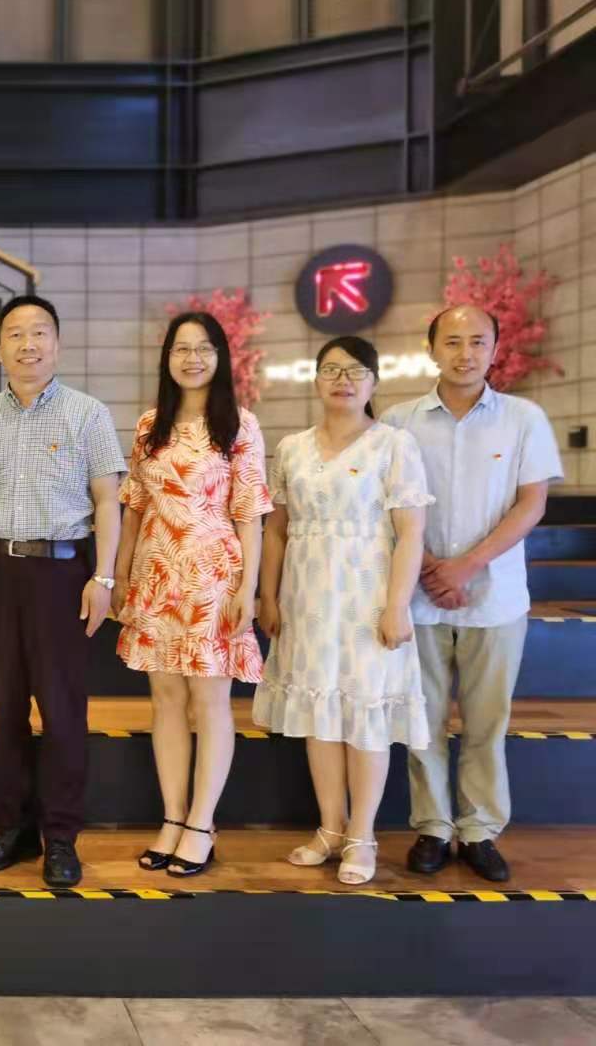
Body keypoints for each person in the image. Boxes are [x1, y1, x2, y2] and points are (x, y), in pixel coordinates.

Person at [381, 305, 563, 883]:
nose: (465, 353)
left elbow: (531, 503)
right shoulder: (398, 421)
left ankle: (480, 830)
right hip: (419, 596)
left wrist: (467, 566)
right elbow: (384, 506)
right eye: (453, 341)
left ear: (495, 349)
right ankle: (433, 827)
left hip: (496, 597)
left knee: (487, 724)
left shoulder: (524, 418)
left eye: (478, 341)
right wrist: (434, 569)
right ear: (431, 349)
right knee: (423, 720)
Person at [254, 336, 432, 886]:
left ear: (374, 382)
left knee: (365, 718)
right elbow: (276, 529)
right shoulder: (291, 448)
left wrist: (397, 605)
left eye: (355, 371)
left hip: (367, 602)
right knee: (320, 717)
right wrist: (268, 595)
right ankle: (330, 828)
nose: (343, 380)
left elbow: (411, 533)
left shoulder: (394, 445)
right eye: (331, 370)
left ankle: (362, 835)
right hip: (306, 601)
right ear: (316, 380)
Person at [0, 294, 126, 888]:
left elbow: (108, 500)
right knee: (3, 708)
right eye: (15, 334)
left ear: (57, 344)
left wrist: (103, 577)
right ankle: (12, 828)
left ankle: (61, 836)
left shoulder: (88, 414)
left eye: (39, 333)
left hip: (63, 573)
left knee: (62, 712)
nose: (27, 344)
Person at [114, 311, 271, 878]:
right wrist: (121, 576)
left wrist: (248, 588)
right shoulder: (149, 425)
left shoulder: (240, 425)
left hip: (214, 581)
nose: (192, 358)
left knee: (209, 703)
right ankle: (172, 818)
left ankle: (202, 823)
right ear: (167, 359)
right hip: (156, 576)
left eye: (203, 348)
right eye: (181, 349)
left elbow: (250, 514)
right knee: (165, 701)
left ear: (221, 357)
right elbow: (135, 506)